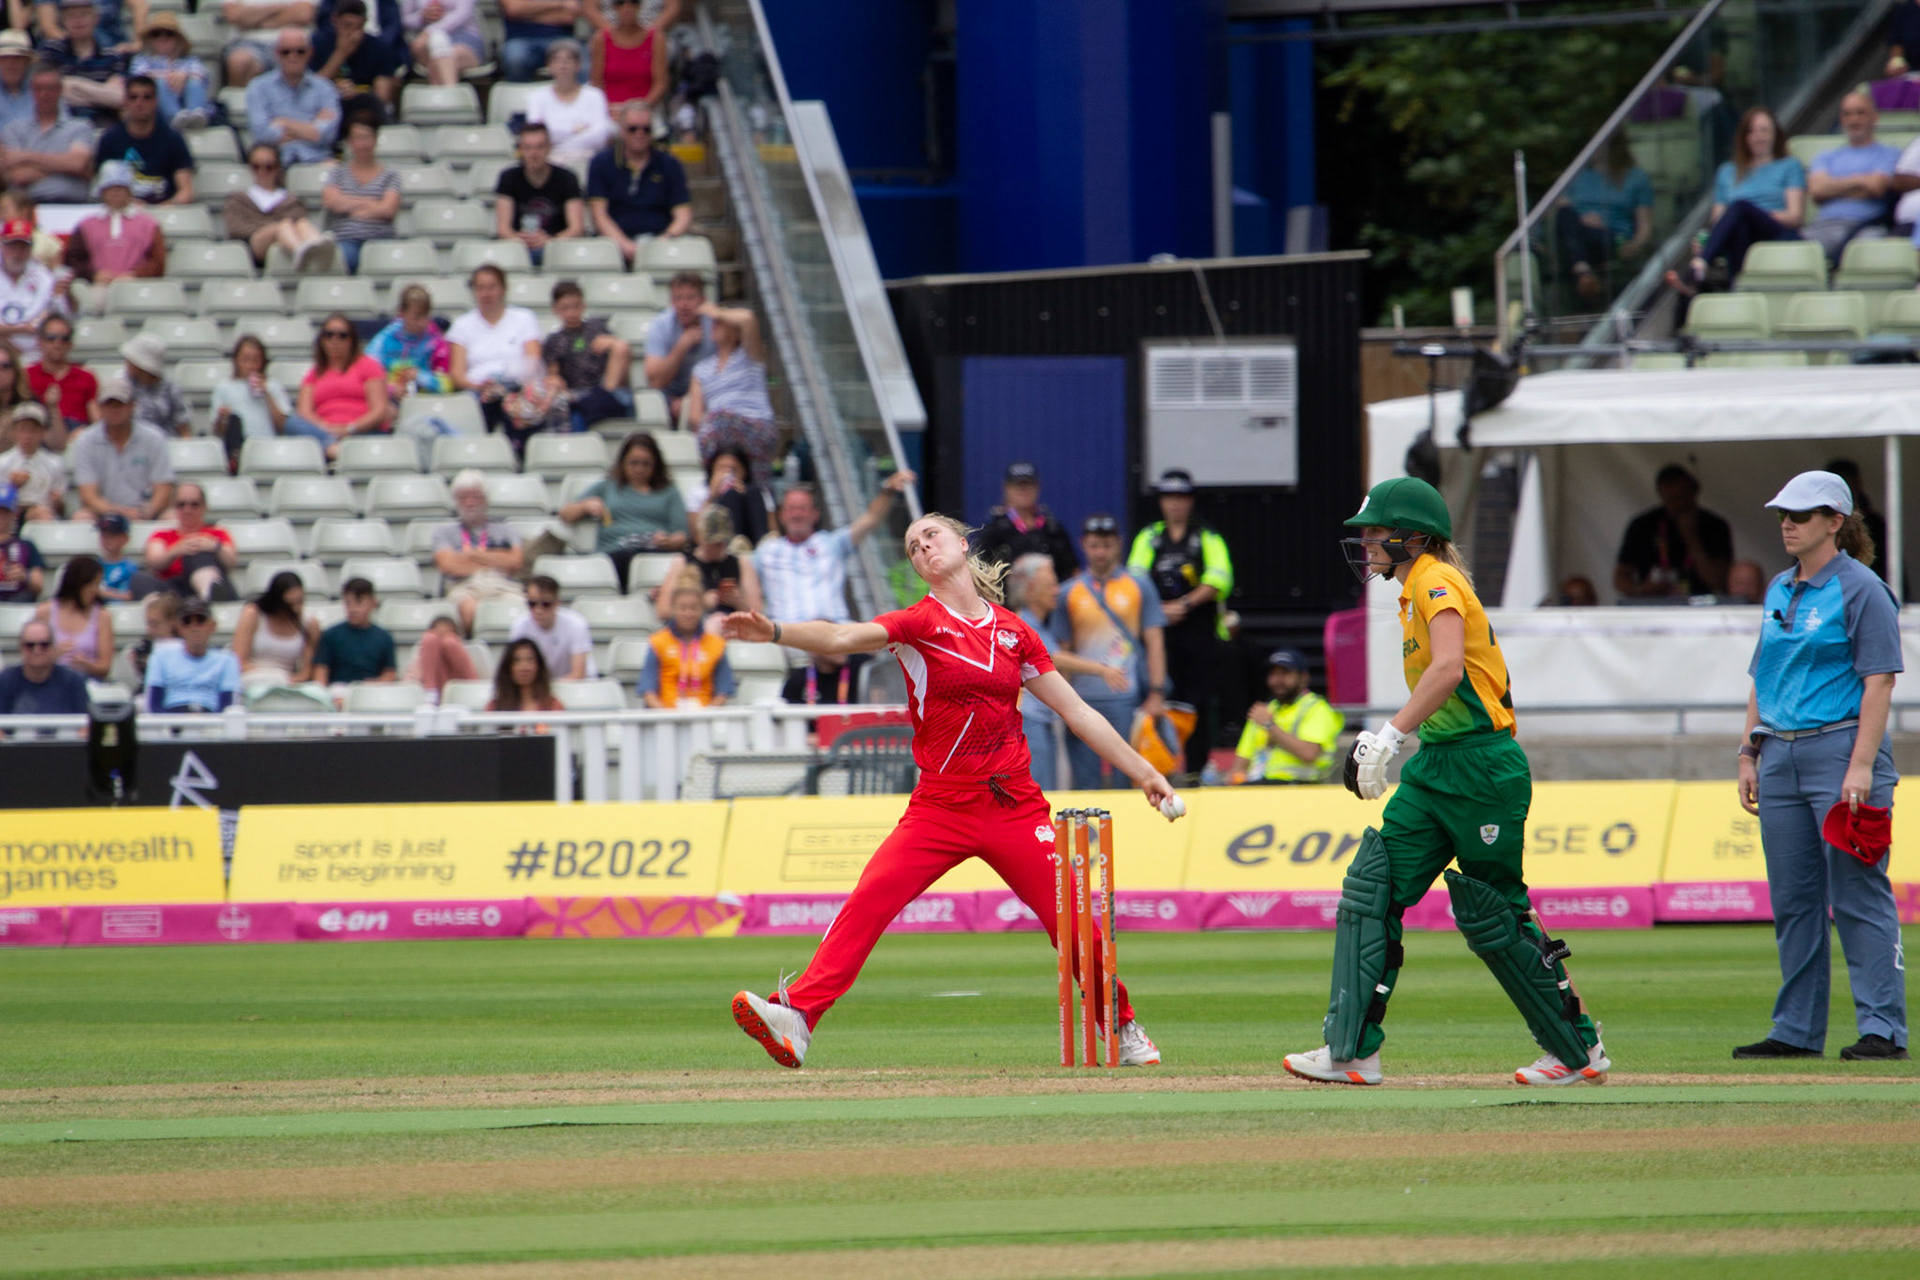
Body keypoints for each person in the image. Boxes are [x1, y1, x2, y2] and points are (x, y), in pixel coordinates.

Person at [719, 509, 1178, 1071]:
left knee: (1074, 922)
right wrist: (774, 631)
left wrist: (1144, 772)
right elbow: (840, 637)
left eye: (930, 536)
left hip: (1013, 803)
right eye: (913, 546)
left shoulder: (1014, 631)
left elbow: (1078, 711)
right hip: (940, 805)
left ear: (962, 545)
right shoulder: (918, 623)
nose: (921, 547)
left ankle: (1120, 1025)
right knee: (870, 899)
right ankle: (796, 1016)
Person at [1283, 476, 1610, 1088]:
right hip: (1437, 764)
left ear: (1412, 536)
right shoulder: (1414, 591)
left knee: (1495, 911)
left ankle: (1576, 1049)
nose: (1367, 543)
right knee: (1372, 888)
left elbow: (1449, 668)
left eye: (1377, 532)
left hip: (1482, 766)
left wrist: (1387, 736)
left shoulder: (1436, 579)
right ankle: (1350, 1051)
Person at [1734, 470, 1908, 1063]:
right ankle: (1795, 1031)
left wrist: (1861, 767)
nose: (1787, 523)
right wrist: (1748, 751)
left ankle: (1883, 1030)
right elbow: (1764, 676)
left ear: (1835, 522)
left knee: (1858, 893)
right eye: (1783, 514)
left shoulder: (1863, 589)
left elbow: (1880, 682)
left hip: (1840, 750)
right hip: (1778, 753)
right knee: (1794, 900)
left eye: (1801, 515)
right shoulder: (1779, 586)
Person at [1129, 468, 1235, 777]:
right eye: (1169, 497)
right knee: (1160, 697)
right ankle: (1158, 767)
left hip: (1198, 632)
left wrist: (1184, 604)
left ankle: (1198, 768)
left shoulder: (1207, 537)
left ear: (1191, 501)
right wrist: (1160, 610)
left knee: (1199, 701)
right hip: (1158, 634)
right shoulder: (1149, 537)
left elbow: (1220, 578)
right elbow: (1134, 578)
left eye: (1181, 497)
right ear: (1161, 502)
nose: (1175, 503)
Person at [1055, 513, 1166, 790]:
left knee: (1126, 777)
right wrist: (1063, 701)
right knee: (1086, 781)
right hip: (1081, 699)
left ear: (1119, 544)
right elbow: (1062, 652)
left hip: (1125, 697)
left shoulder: (1139, 586)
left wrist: (1156, 693)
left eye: (1107, 545)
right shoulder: (1068, 592)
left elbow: (1155, 642)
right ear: (1083, 545)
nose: (1100, 552)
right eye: (1094, 545)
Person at [1008, 551, 1120, 792]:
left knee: (1047, 786)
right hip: (1029, 719)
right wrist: (1101, 669)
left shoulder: (1040, 625)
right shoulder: (1022, 623)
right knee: (1039, 787)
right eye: (1050, 585)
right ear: (1030, 590)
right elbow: (1053, 658)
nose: (1057, 590)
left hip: (1041, 719)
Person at [1669, 107, 1805, 294]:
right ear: (1744, 137)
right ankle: (1733, 288)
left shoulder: (1789, 165)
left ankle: (1699, 266)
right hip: (1743, 234)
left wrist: (1756, 214)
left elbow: (1795, 217)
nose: (1759, 136)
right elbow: (1719, 220)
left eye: (1764, 130)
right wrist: (1708, 239)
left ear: (1775, 134)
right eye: (1752, 131)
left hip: (1776, 231)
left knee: (1741, 207)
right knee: (1740, 224)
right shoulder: (1727, 171)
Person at [757, 472, 914, 628]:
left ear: (815, 514)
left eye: (803, 508)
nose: (797, 514)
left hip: (835, 630)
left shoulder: (831, 543)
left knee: (880, 632)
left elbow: (872, 518)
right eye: (791, 508)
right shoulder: (766, 552)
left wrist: (888, 489)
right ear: (781, 515)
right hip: (786, 634)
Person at [558, 429, 686, 590]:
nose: (639, 469)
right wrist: (585, 505)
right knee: (625, 558)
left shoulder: (669, 492)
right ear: (623, 462)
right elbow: (565, 514)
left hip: (653, 551)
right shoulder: (608, 486)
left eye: (646, 464)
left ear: (656, 464)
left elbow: (682, 535)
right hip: (615, 552)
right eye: (634, 463)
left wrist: (668, 541)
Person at [447, 264, 544, 451]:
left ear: (503, 289)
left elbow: (532, 362)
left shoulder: (524, 318)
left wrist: (506, 384)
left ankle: (519, 451)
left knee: (519, 402)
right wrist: (480, 386)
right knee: (481, 402)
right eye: (481, 288)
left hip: (516, 385)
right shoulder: (462, 325)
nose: (486, 293)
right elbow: (457, 374)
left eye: (492, 287)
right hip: (478, 389)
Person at [587, 101, 693, 265]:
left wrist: (663, 241)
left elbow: (683, 214)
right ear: (621, 130)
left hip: (661, 242)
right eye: (633, 129)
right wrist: (625, 245)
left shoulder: (670, 164)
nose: (640, 134)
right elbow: (599, 215)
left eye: (646, 129)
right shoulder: (601, 163)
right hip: (613, 245)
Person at [1553, 132, 1653, 300]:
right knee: (1566, 216)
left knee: (1576, 235)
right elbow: (1559, 204)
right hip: (1578, 234)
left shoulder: (1636, 178)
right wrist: (1582, 219)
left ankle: (1583, 275)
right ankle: (1585, 274)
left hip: (1611, 237)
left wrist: (1635, 245)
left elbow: (1645, 224)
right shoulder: (1577, 175)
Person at [1802, 93, 1900, 264]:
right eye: (1847, 114)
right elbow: (1817, 190)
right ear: (1841, 119)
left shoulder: (1890, 154)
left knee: (1867, 252)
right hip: (1823, 228)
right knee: (1794, 253)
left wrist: (1833, 188)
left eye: (1860, 113)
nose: (1854, 120)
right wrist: (1860, 181)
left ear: (1874, 117)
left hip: (1866, 228)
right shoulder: (1826, 156)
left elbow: (1876, 187)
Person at [687, 303, 776, 483]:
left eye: (720, 322)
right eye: (714, 322)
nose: (714, 325)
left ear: (736, 333)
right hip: (718, 429)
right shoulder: (701, 370)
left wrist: (717, 312)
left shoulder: (749, 357)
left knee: (721, 418)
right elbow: (695, 417)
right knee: (713, 426)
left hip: (753, 423)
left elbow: (748, 318)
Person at [1614, 463, 1733, 598]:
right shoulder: (1642, 525)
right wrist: (1641, 589)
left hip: (1700, 603)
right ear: (1662, 497)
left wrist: (1692, 539)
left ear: (1694, 492)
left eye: (1684, 496)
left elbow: (1719, 582)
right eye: (1673, 499)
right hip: (1653, 602)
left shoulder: (1715, 525)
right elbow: (1620, 577)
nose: (1680, 504)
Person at [213, 333, 334, 465]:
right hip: (239, 443)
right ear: (236, 360)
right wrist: (222, 418)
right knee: (234, 421)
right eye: (245, 359)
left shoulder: (273, 385)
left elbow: (284, 425)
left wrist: (267, 393)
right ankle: (236, 458)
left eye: (255, 360)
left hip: (268, 444)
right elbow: (217, 431)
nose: (250, 365)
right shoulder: (224, 387)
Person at [1231, 648, 1344, 785]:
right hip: (1260, 786)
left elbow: (1309, 754)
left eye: (1285, 673)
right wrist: (1236, 778)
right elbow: (1240, 764)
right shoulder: (1264, 711)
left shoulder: (1317, 708)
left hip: (1302, 787)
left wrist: (1270, 726)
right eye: (1273, 674)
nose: (1277, 680)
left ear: (1303, 677)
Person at [69, 376, 174, 522]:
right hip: (104, 513)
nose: (114, 409)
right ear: (100, 407)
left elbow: (163, 488)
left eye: (119, 404)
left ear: (132, 406)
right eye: (108, 404)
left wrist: (147, 512)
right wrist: (119, 513)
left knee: (172, 518)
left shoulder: (154, 438)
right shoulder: (86, 441)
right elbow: (89, 496)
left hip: (145, 511)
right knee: (81, 518)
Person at [434, 469, 525, 634]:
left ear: (486, 499)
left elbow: (515, 561)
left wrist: (471, 555)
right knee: (469, 610)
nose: (470, 502)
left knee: (522, 611)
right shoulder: (444, 532)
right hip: (464, 586)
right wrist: (498, 557)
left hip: (502, 585)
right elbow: (448, 565)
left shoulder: (507, 529)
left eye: (475, 496)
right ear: (456, 501)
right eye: (464, 497)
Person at [61, 162, 167, 303]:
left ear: (129, 191)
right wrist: (93, 275)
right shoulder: (86, 225)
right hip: (98, 287)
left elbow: (158, 261)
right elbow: (73, 259)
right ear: (102, 192)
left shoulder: (149, 224)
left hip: (137, 287)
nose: (116, 193)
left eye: (121, 188)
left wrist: (135, 275)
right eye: (110, 188)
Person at [225, 143, 336, 272]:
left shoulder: (291, 200)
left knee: (302, 223)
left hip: (286, 234)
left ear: (277, 168)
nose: (262, 172)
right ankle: (299, 249)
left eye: (269, 167)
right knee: (284, 225)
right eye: (256, 166)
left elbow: (297, 220)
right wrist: (272, 227)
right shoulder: (239, 199)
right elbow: (236, 229)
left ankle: (318, 246)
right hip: (253, 246)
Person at [541, 278, 631, 431]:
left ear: (583, 305)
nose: (572, 312)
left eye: (576, 306)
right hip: (574, 392)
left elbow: (623, 354)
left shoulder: (597, 328)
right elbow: (553, 375)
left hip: (604, 389)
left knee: (620, 348)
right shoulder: (554, 341)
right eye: (565, 308)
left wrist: (612, 342)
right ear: (555, 309)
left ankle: (605, 397)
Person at [298, 313, 392, 459]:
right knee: (291, 423)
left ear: (352, 340)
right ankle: (333, 448)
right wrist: (326, 428)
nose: (335, 340)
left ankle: (337, 450)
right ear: (322, 340)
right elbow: (304, 412)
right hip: (325, 432)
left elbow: (379, 410)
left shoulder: (369, 366)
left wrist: (349, 429)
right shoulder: (314, 374)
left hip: (362, 433)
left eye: (342, 335)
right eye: (329, 335)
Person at [246, 28, 342, 169]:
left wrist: (282, 122)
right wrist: (311, 128)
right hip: (275, 165)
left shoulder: (325, 88)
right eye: (286, 52)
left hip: (318, 161)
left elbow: (328, 135)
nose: (293, 56)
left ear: (310, 53)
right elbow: (262, 134)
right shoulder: (258, 87)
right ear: (276, 53)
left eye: (300, 51)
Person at [92, 74, 194, 205]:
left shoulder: (173, 139)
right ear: (125, 101)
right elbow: (101, 189)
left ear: (156, 101)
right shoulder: (109, 139)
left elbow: (186, 192)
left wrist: (160, 209)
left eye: (147, 97)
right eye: (133, 97)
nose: (140, 103)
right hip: (123, 211)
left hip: (165, 211)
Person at [0, 64, 93, 205]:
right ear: (31, 91)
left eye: (50, 88)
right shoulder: (14, 130)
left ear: (60, 90)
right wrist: (66, 167)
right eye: (39, 88)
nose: (44, 94)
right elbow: (17, 176)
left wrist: (26, 156)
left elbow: (77, 164)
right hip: (28, 207)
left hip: (73, 204)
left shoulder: (80, 127)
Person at [496, 124, 585, 270]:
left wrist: (550, 241)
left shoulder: (567, 178)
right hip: (519, 249)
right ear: (520, 150)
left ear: (549, 147)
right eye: (528, 147)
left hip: (559, 250)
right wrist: (520, 240)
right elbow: (503, 229)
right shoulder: (508, 178)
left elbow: (577, 228)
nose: (534, 153)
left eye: (540, 147)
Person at [321, 114, 400, 275]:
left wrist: (350, 207)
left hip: (381, 239)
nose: (363, 144)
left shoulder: (390, 175)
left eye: (367, 137)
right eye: (358, 138)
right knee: (343, 258)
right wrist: (372, 204)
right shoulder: (337, 173)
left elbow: (388, 209)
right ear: (350, 142)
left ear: (375, 140)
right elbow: (332, 202)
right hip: (345, 239)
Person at [975, 461, 1077, 583]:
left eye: (1028, 485)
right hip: (1004, 594)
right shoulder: (994, 531)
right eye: (1018, 486)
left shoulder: (1052, 529)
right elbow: (980, 573)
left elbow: (1072, 572)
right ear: (1006, 488)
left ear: (1038, 487)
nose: (1023, 491)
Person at [660, 503, 759, 628]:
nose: (719, 546)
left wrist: (738, 601)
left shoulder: (740, 563)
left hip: (733, 626)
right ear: (700, 538)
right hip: (694, 627)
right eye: (712, 542)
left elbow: (758, 613)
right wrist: (699, 604)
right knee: (716, 621)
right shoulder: (683, 562)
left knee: (718, 620)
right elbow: (663, 610)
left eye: (723, 542)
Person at [135, 481, 236, 600]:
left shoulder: (217, 533)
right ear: (174, 507)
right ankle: (159, 610)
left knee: (197, 552)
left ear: (204, 506)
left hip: (209, 583)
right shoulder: (162, 536)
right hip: (173, 590)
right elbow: (153, 562)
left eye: (194, 504)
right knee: (139, 578)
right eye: (181, 505)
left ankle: (209, 597)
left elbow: (231, 563)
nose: (187, 510)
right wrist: (176, 551)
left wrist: (214, 547)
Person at [640, 578, 733, 707]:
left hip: (706, 715)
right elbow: (648, 691)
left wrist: (707, 714)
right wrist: (666, 715)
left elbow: (723, 692)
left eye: (694, 608)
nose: (688, 613)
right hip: (665, 715)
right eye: (683, 608)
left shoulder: (717, 644)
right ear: (673, 609)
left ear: (702, 609)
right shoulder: (657, 642)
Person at [143, 594, 241, 712]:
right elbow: (153, 707)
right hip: (171, 719)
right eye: (187, 621)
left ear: (212, 626)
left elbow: (228, 708)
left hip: (210, 720)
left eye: (200, 620)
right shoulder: (160, 657)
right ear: (179, 627)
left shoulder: (227, 661)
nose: (194, 627)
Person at [524, 39, 610, 168]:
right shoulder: (537, 97)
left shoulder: (595, 95)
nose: (563, 65)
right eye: (557, 60)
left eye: (568, 60)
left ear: (578, 65)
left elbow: (600, 136)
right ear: (549, 66)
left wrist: (557, 139)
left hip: (588, 160)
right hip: (550, 162)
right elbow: (536, 136)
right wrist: (576, 130)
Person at [643, 269, 715, 423]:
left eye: (690, 298)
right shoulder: (660, 325)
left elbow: (723, 373)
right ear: (671, 301)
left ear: (703, 300)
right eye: (678, 298)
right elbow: (655, 381)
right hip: (669, 395)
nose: (684, 305)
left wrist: (691, 400)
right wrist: (682, 345)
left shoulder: (716, 326)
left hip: (708, 393)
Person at [313, 0, 400, 123]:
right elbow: (311, 88)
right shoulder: (318, 43)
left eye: (358, 27)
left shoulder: (379, 48)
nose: (353, 33)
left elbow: (382, 97)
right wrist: (341, 53)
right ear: (334, 20)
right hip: (326, 110)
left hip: (364, 112)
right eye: (347, 26)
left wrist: (357, 94)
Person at [44, 0, 128, 125]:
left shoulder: (111, 57)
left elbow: (119, 98)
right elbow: (49, 91)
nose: (78, 21)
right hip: (63, 125)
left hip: (102, 124)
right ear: (63, 21)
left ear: (96, 19)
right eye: (71, 16)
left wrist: (74, 85)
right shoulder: (52, 51)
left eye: (84, 15)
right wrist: (102, 93)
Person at [368, 284, 455, 400]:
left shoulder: (435, 342)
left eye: (426, 316)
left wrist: (420, 376)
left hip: (426, 402)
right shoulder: (384, 339)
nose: (422, 323)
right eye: (416, 317)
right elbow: (367, 377)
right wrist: (390, 389)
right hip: (389, 401)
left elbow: (447, 385)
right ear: (402, 313)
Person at [33, 551, 113, 677]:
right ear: (79, 583)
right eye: (92, 585)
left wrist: (87, 665)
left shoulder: (102, 616)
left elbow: (105, 667)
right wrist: (52, 655)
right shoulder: (45, 612)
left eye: (97, 585)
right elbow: (31, 656)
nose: (96, 591)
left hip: (88, 681)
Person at [232, 568, 318, 683]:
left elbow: (307, 671)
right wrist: (268, 677)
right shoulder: (253, 614)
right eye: (289, 605)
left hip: (287, 681)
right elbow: (239, 660)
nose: (295, 609)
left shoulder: (308, 624)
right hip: (253, 677)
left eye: (300, 602)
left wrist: (289, 681)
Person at [128, 12, 210, 131]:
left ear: (177, 39)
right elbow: (138, 77)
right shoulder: (142, 59)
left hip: (184, 98)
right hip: (157, 108)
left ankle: (196, 114)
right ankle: (174, 116)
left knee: (194, 82)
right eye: (156, 34)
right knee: (159, 83)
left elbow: (202, 74)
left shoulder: (190, 60)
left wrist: (184, 75)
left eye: (169, 34)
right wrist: (168, 77)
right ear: (150, 39)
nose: (163, 38)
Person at [312, 576, 397, 689]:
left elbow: (390, 673)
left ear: (373, 603)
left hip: (370, 689)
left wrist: (376, 683)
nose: (352, 609)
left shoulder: (384, 637)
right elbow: (321, 671)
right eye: (348, 603)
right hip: (339, 689)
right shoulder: (331, 635)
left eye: (358, 602)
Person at [509, 572, 594, 679]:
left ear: (557, 603)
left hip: (575, 685)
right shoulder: (520, 626)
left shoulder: (576, 624)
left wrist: (547, 688)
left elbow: (578, 674)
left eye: (545, 604)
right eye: (532, 604)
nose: (538, 610)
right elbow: (514, 669)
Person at [219, 0, 319, 91]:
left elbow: (303, 13)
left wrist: (259, 23)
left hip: (294, 43)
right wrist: (279, 7)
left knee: (296, 56)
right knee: (239, 62)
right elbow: (234, 15)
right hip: (250, 43)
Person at [27, 316, 97, 445]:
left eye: (64, 338)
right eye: (51, 338)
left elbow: (96, 420)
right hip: (39, 434)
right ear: (40, 342)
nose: (58, 343)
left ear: (71, 344)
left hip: (78, 435)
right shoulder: (27, 375)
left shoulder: (86, 376)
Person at [0, 618, 90, 714]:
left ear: (53, 647)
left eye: (44, 645)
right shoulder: (5, 681)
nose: (37, 650)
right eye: (30, 645)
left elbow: (84, 721)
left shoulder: (73, 681)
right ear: (21, 648)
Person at [688, 445, 771, 546]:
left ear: (744, 471)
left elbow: (773, 529)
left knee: (752, 492)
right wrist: (712, 496)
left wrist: (744, 498)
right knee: (731, 495)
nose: (727, 474)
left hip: (752, 538)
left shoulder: (758, 492)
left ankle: (761, 543)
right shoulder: (699, 492)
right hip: (720, 542)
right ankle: (734, 543)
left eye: (733, 470)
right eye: (721, 469)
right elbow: (697, 535)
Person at [0, 220, 59, 363]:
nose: (17, 253)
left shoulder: (43, 277)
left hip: (35, 356)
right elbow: (30, 328)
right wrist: (21, 330)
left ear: (31, 249)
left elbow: (44, 320)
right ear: (2, 246)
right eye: (12, 247)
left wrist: (8, 331)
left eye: (23, 247)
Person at [590, 0, 664, 109]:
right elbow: (596, 83)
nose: (627, 7)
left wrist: (642, 108)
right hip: (610, 109)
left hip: (645, 110)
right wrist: (608, 108)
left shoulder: (656, 38)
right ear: (614, 7)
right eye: (620, 3)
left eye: (633, 2)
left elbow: (660, 83)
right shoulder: (601, 39)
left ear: (640, 6)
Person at [120, 334, 192, 439]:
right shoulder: (123, 387)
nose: (127, 362)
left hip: (167, 443)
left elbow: (183, 428)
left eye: (131, 360)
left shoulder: (171, 389)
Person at [0, 404, 63, 521]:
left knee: (42, 513)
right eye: (22, 429)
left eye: (33, 430)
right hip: (10, 517)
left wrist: (57, 501)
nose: (27, 436)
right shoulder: (3, 462)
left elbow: (61, 507)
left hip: (43, 513)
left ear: (43, 432)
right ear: (14, 431)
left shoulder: (54, 463)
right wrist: (12, 488)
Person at [403, 0, 485, 86]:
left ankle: (448, 90)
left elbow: (463, 13)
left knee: (443, 56)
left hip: (463, 37)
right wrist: (421, 18)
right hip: (426, 41)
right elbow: (404, 19)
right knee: (423, 47)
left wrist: (430, 31)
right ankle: (450, 90)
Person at [500, 0, 585, 83]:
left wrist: (526, 14)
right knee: (515, 59)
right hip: (519, 39)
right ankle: (521, 92)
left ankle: (572, 92)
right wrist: (560, 4)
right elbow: (514, 9)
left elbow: (568, 16)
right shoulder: (561, 3)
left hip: (561, 38)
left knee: (582, 60)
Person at [108, 584, 175, 688]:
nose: (149, 629)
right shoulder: (139, 651)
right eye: (148, 623)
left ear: (172, 622)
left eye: (155, 624)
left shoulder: (187, 651)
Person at [406, 613, 477, 696]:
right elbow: (410, 680)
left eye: (447, 634)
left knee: (449, 643)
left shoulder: (454, 646)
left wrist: (451, 644)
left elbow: (471, 678)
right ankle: (430, 691)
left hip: (457, 692)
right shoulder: (424, 650)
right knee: (430, 640)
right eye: (438, 634)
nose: (441, 640)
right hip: (425, 693)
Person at [486, 636, 562, 711]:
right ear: (508, 667)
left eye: (530, 659)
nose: (524, 667)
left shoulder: (552, 706)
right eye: (517, 660)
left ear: (539, 666)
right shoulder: (494, 707)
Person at [0, 482, 45, 601]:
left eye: (4, 512)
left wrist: (24, 576)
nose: (1, 516)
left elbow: (39, 585)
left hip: (18, 600)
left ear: (13, 514)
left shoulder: (26, 546)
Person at [94, 510, 135, 600]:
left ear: (125, 538)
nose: (106, 539)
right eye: (103, 535)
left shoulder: (131, 568)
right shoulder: (93, 566)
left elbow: (129, 596)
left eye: (112, 535)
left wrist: (100, 592)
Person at [0, 32, 35, 133]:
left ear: (27, 62)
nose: (11, 64)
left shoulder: (43, 90)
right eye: (5, 58)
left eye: (17, 59)